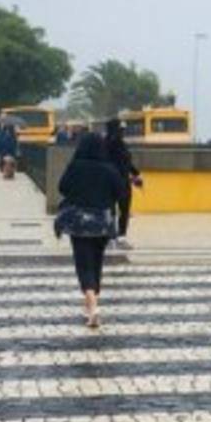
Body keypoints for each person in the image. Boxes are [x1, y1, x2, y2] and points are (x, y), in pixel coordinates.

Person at [57, 133, 125, 328]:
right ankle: (90, 305)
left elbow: (62, 188)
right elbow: (120, 191)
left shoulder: (75, 166)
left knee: (83, 264)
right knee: (96, 263)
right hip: (102, 223)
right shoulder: (109, 168)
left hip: (80, 223)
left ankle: (93, 307)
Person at [104, 118, 143, 249]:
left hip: (123, 181)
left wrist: (135, 173)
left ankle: (119, 237)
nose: (122, 132)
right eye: (120, 130)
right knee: (112, 211)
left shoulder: (121, 144)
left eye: (123, 130)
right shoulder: (106, 145)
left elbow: (126, 163)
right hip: (111, 182)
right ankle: (111, 237)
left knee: (123, 210)